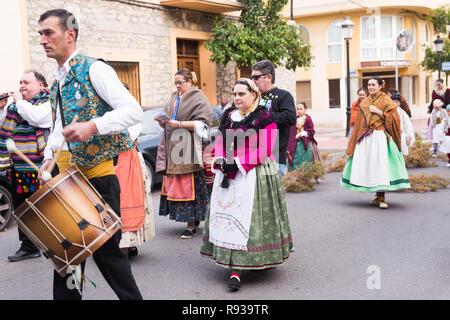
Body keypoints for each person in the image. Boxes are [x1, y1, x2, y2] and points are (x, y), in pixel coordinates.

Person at [37, 9, 143, 300]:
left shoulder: (94, 68)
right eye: (41, 34)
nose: (43, 40)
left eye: (49, 33)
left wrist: (94, 126)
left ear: (69, 35)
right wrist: (49, 156)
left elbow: (133, 112)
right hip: (66, 177)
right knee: (67, 256)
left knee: (108, 256)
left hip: (98, 178)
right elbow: (60, 123)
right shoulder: (58, 79)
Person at [200, 78, 294, 291]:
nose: (236, 98)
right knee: (227, 217)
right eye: (234, 94)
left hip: (253, 173)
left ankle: (241, 266)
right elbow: (221, 141)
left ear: (254, 94)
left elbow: (265, 149)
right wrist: (223, 160)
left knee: (248, 217)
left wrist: (238, 163)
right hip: (228, 172)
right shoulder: (228, 115)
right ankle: (233, 265)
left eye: (241, 94)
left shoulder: (265, 116)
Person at [0, 71, 52, 262]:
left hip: (42, 166)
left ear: (40, 85)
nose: (21, 85)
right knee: (23, 207)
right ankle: (29, 247)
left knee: (45, 206)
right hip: (21, 167)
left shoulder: (48, 101)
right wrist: (2, 108)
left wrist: (19, 101)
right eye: (20, 82)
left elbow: (37, 118)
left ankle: (52, 242)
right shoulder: (17, 107)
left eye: (26, 82)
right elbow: (4, 129)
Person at [155, 68, 212, 239]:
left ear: (190, 82)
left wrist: (180, 124)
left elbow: (204, 124)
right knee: (177, 183)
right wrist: (162, 120)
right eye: (175, 83)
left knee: (190, 185)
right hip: (173, 145)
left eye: (180, 82)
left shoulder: (198, 97)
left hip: (189, 145)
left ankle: (191, 224)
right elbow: (168, 122)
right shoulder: (174, 97)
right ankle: (188, 220)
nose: (177, 85)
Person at [341, 76, 410, 209]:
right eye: (369, 85)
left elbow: (394, 118)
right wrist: (353, 143)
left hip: (380, 137)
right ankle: (377, 196)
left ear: (380, 86)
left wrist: (378, 111)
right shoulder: (365, 103)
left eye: (373, 84)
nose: (371, 87)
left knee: (381, 165)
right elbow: (359, 124)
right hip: (366, 138)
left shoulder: (386, 100)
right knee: (370, 166)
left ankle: (382, 196)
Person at [116, 82, 155, 258]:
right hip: (117, 159)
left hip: (128, 159)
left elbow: (129, 135)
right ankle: (125, 243)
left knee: (128, 199)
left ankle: (129, 243)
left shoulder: (130, 111)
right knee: (117, 200)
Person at [250, 60, 296, 177]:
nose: (253, 81)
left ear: (268, 77)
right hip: (252, 156)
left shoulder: (283, 96)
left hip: (274, 157)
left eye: (256, 77)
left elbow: (290, 118)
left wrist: (264, 117)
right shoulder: (252, 97)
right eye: (252, 77)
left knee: (274, 195)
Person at [286, 102, 321, 171]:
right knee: (295, 159)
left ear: (305, 109)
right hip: (295, 143)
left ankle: (306, 174)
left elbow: (311, 131)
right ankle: (295, 174)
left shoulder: (308, 119)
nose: (299, 111)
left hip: (305, 143)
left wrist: (301, 134)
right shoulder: (294, 119)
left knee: (307, 160)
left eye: (301, 109)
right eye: (297, 109)